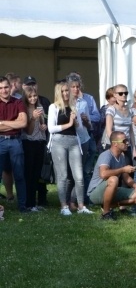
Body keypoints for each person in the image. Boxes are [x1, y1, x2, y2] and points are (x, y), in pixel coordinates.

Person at [49, 80, 93, 216]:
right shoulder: (54, 107)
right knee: (62, 175)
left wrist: (78, 121)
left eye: (67, 90)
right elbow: (51, 128)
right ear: (58, 93)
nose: (65, 93)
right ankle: (64, 206)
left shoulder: (74, 107)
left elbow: (78, 127)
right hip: (58, 141)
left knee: (78, 176)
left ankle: (81, 206)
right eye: (62, 91)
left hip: (74, 141)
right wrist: (69, 124)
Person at [86, 131, 136, 220]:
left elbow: (126, 177)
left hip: (111, 189)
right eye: (124, 141)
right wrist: (123, 169)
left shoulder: (121, 157)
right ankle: (106, 214)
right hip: (95, 192)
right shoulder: (106, 155)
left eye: (127, 140)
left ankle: (108, 206)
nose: (127, 143)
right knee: (114, 179)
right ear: (115, 144)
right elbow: (103, 174)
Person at [0, 75, 29, 212]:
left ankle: (22, 206)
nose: (4, 90)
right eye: (1, 88)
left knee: (19, 174)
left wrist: (3, 123)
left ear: (10, 87)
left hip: (15, 141)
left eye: (6, 87)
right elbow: (18, 123)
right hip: (0, 141)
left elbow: (23, 123)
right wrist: (14, 123)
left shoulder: (18, 102)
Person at [21, 85, 48, 209]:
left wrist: (44, 126)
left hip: (40, 142)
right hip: (29, 143)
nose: (33, 98)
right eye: (30, 96)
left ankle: (34, 203)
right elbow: (29, 131)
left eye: (35, 96)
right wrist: (33, 118)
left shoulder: (40, 107)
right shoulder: (24, 109)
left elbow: (42, 125)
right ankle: (28, 203)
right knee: (29, 174)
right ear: (26, 98)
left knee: (37, 174)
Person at [104, 84, 135, 163]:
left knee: (129, 171)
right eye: (120, 93)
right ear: (115, 95)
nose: (124, 95)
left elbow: (131, 131)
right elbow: (109, 131)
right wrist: (117, 145)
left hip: (126, 145)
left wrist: (134, 149)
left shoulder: (130, 110)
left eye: (126, 93)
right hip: (114, 146)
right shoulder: (111, 110)